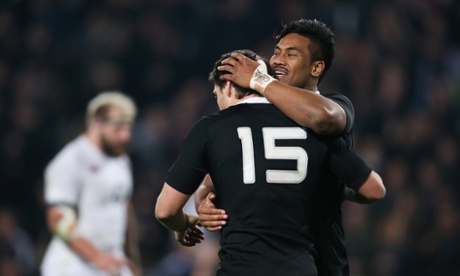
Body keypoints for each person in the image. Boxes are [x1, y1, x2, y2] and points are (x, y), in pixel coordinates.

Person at [155, 50, 385, 275]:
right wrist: (334, 191)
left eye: (217, 97)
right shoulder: (312, 127)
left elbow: (165, 210)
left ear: (226, 86)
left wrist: (183, 225)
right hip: (301, 267)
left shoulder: (211, 129)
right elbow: (373, 189)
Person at [197, 18, 368, 275]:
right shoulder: (262, 118)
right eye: (276, 52)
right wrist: (204, 203)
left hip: (325, 261)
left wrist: (260, 81)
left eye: (291, 54)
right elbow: (215, 180)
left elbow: (321, 118)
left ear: (316, 68)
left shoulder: (336, 105)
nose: (277, 60)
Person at [40, 92, 141, 276]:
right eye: (118, 128)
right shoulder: (71, 160)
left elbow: (123, 208)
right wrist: (98, 258)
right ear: (97, 122)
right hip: (71, 265)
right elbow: (57, 218)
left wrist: (132, 259)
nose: (125, 136)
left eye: (128, 128)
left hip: (112, 262)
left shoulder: (121, 160)